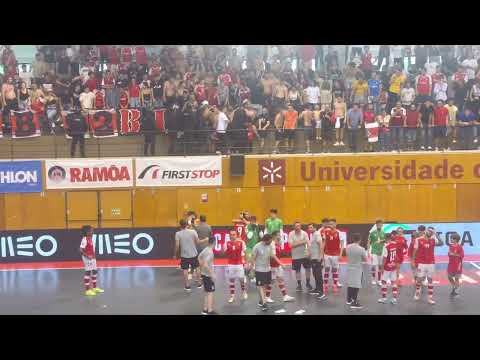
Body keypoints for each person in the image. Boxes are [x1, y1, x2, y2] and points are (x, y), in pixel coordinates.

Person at [250, 233, 284, 312]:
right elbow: (253, 259)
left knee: (265, 286)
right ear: (265, 240)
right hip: (259, 269)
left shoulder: (270, 246)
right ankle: (264, 303)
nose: (271, 242)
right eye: (270, 240)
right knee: (261, 286)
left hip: (267, 269)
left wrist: (281, 263)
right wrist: (252, 270)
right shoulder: (257, 246)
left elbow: (273, 256)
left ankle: (262, 300)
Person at [412, 225, 443, 304]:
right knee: (419, 279)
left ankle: (430, 298)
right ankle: (417, 292)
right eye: (429, 231)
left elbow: (441, 243)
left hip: (431, 263)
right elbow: (415, 251)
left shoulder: (433, 240)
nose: (430, 232)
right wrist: (413, 261)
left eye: (431, 232)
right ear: (426, 231)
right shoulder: (418, 240)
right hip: (421, 263)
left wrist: (436, 235)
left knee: (430, 280)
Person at [265, 230, 295, 303]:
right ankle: (267, 297)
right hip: (272, 265)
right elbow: (273, 256)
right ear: (274, 236)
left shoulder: (277, 243)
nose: (280, 236)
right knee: (271, 281)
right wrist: (281, 263)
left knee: (280, 279)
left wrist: (280, 264)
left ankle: (285, 296)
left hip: (277, 265)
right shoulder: (272, 244)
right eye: (278, 235)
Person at [174, 219, 202, 292]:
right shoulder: (193, 232)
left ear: (180, 225)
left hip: (184, 255)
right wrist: (205, 240)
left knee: (185, 270)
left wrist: (175, 254)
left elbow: (177, 246)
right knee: (197, 268)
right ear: (187, 224)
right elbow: (198, 242)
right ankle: (199, 283)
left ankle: (187, 285)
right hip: (194, 254)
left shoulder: (178, 234)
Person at [224, 230, 248, 303]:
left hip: (239, 264)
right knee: (231, 280)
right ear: (229, 235)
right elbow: (224, 253)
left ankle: (244, 292)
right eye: (231, 234)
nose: (232, 236)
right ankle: (232, 296)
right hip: (231, 264)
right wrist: (225, 250)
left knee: (241, 280)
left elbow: (245, 252)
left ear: (236, 235)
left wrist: (246, 262)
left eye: (234, 234)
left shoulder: (241, 242)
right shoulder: (227, 243)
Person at [79, 225, 104, 296]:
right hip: (87, 258)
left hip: (92, 257)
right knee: (88, 272)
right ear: (87, 232)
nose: (93, 231)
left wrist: (93, 255)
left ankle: (95, 288)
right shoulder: (84, 239)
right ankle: (87, 290)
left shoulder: (90, 238)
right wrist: (87, 256)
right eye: (91, 230)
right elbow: (80, 250)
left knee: (95, 271)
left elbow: (90, 248)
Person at [288, 221, 312, 292]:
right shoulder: (291, 234)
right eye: (296, 226)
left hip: (305, 255)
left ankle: (308, 283)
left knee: (308, 269)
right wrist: (302, 242)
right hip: (295, 256)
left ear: (300, 226)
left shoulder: (304, 233)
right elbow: (290, 245)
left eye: (299, 226)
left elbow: (308, 243)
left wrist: (309, 251)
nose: (298, 227)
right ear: (294, 227)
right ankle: (299, 285)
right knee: (297, 270)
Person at [345, 233, 367, 309]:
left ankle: (348, 299)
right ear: (360, 240)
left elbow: (347, 255)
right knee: (356, 285)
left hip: (349, 268)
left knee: (350, 284)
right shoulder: (361, 249)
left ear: (353, 239)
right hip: (357, 269)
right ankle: (354, 302)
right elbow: (365, 259)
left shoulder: (347, 247)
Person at [378, 233, 399, 305]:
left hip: (387, 266)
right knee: (394, 282)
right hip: (393, 266)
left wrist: (382, 268)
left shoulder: (386, 247)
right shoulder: (394, 244)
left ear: (386, 238)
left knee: (384, 281)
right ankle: (394, 299)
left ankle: (384, 298)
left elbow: (384, 258)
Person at [323, 218, 343, 294]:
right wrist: (322, 253)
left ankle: (334, 285)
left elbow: (342, 244)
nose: (330, 225)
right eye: (330, 224)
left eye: (332, 224)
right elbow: (324, 243)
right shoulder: (326, 232)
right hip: (327, 254)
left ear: (335, 224)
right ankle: (325, 285)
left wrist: (340, 255)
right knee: (327, 269)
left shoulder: (339, 233)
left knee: (334, 270)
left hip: (335, 255)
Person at [198, 236, 217, 315]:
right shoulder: (210, 252)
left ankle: (205, 309)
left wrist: (201, 267)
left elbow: (199, 257)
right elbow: (205, 263)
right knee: (210, 293)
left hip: (204, 274)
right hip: (208, 275)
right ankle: (210, 310)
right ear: (214, 243)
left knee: (206, 292)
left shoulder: (205, 249)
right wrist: (212, 274)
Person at [310, 224, 327, 300]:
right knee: (315, 274)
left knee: (318, 275)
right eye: (309, 228)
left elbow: (321, 245)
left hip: (317, 258)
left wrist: (320, 256)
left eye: (311, 227)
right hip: (313, 258)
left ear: (315, 228)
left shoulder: (317, 234)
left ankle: (322, 293)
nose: (309, 229)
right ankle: (317, 289)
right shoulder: (313, 235)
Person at [368, 219, 386, 286]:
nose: (379, 225)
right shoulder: (372, 232)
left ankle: (379, 280)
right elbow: (369, 242)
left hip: (381, 251)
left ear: (382, 225)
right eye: (378, 224)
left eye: (380, 224)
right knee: (373, 266)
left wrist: (382, 241)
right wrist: (368, 251)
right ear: (376, 225)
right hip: (374, 251)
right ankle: (373, 279)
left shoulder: (383, 232)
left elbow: (385, 241)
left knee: (380, 266)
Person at [447, 232, 464, 297]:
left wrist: (454, 254)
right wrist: (450, 254)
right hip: (451, 264)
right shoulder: (450, 246)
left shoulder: (460, 247)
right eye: (451, 238)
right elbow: (449, 254)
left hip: (458, 265)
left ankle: (456, 291)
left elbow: (462, 255)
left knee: (456, 278)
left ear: (456, 240)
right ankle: (454, 286)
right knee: (449, 277)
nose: (451, 239)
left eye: (452, 238)